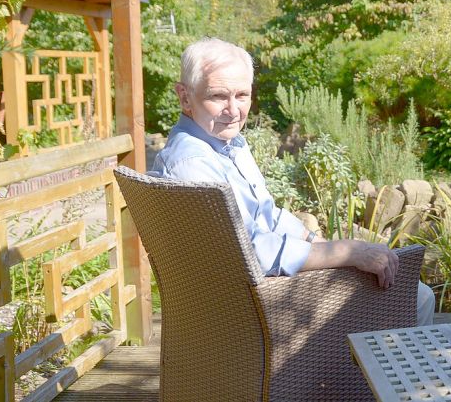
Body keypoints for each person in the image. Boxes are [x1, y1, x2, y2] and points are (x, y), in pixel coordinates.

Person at [151, 37, 434, 325]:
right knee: (416, 297)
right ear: (185, 97)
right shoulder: (193, 164)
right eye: (218, 96)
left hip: (258, 293)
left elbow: (268, 216)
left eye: (242, 95)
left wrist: (318, 241)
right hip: (255, 312)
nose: (234, 110)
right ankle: (374, 370)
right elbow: (253, 251)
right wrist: (349, 252)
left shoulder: (226, 144)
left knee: (403, 283)